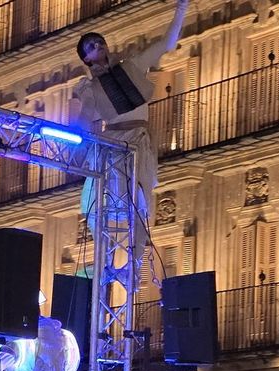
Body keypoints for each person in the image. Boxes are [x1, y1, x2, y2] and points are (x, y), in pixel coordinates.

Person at [73, 0, 190, 260]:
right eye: (91, 46)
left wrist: (181, 9)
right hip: (114, 143)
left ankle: (134, 264)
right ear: (86, 58)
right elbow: (84, 118)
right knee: (100, 203)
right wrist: (74, 146)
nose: (98, 45)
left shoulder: (131, 66)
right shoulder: (90, 89)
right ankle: (105, 258)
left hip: (139, 140)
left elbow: (166, 44)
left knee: (140, 203)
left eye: (100, 41)